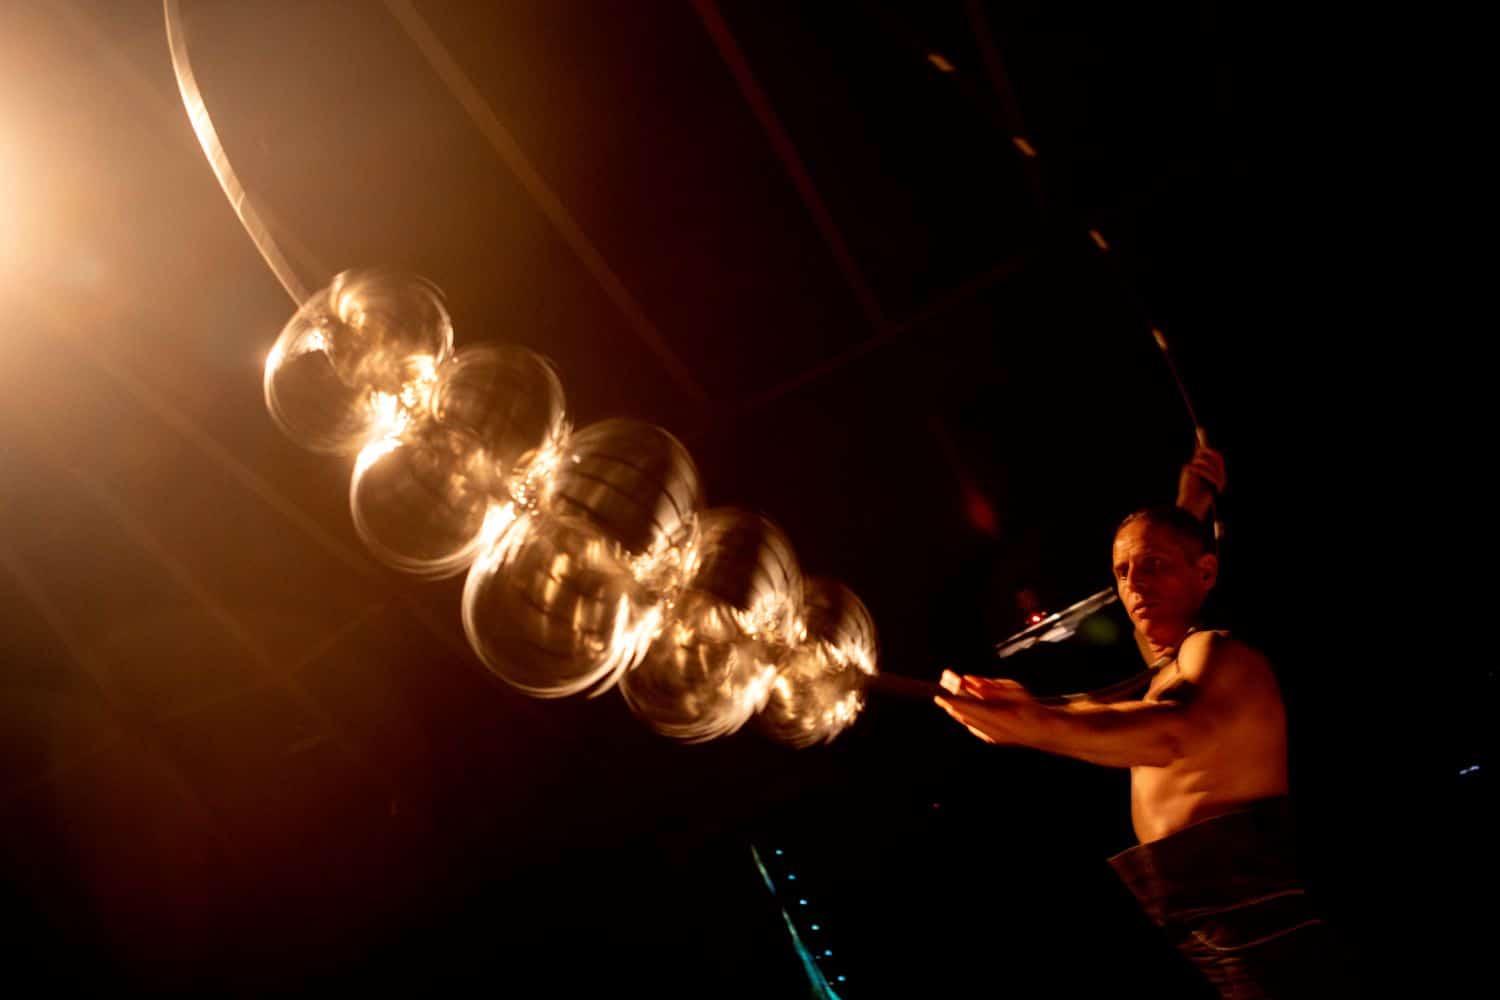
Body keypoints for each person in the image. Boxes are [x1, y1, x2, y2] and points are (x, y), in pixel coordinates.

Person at [935, 443, 1357, 998]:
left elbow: (1169, 732)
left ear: (1206, 572)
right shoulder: (1167, 670)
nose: (1133, 585)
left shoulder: (1221, 654)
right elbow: (1117, 696)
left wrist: (1032, 726)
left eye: (1153, 564)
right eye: (1122, 570)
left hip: (1264, 932)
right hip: (1203, 925)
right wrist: (1021, 707)